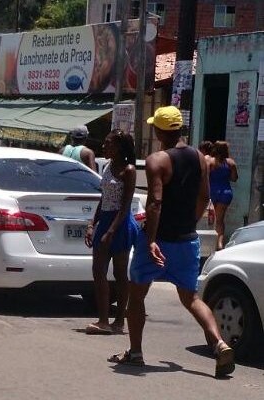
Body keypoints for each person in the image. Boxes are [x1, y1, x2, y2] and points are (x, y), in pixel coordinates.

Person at [109, 106, 234, 378]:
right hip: (187, 239)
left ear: (159, 131)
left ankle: (136, 353)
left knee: (137, 295)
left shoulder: (157, 160)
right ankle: (219, 343)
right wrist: (191, 221)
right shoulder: (201, 159)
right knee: (191, 298)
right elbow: (205, 196)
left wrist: (151, 239)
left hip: (159, 239)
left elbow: (155, 202)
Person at [84, 129, 138, 335]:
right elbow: (103, 199)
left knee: (120, 273)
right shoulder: (106, 167)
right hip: (105, 219)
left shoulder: (129, 170)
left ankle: (118, 320)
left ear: (120, 147)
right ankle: (103, 319)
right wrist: (92, 224)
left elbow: (125, 207)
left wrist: (110, 232)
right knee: (98, 270)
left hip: (121, 223)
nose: (104, 147)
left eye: (109, 144)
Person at [208, 141, 238, 250]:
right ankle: (219, 244)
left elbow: (205, 177)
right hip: (225, 192)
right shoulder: (231, 163)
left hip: (212, 191)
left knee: (210, 219)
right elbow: (234, 178)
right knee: (220, 220)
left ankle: (209, 243)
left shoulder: (210, 162)